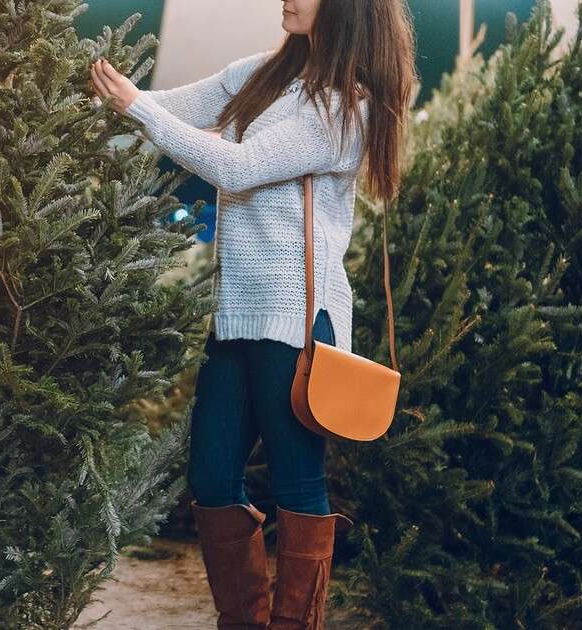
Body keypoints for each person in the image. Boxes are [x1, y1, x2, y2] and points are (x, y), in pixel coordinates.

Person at [90, 1, 415, 628]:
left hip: (296, 320)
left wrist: (136, 106)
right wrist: (105, 88)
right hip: (237, 316)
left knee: (297, 485)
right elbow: (172, 109)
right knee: (211, 477)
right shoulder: (263, 75)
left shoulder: (348, 108)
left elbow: (234, 166)